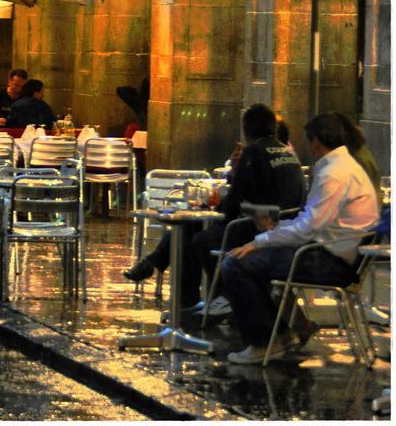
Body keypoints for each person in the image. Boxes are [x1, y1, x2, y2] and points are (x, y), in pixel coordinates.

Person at [219, 112, 380, 365]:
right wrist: (274, 229)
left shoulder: (334, 174)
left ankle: (265, 342)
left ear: (315, 141)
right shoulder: (345, 167)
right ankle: (283, 334)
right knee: (252, 259)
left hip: (330, 260)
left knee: (235, 264)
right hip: (336, 252)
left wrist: (260, 240)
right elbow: (311, 222)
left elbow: (307, 229)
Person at [124, 102, 306, 314]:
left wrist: (231, 181)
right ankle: (182, 292)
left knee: (199, 237)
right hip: (282, 223)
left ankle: (219, 296)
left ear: (246, 130)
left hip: (257, 227)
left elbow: (233, 203)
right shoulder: (288, 153)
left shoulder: (253, 152)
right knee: (189, 229)